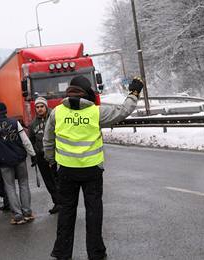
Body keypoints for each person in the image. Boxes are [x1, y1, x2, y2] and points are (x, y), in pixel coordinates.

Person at [43, 75, 144, 260]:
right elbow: (123, 111)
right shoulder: (95, 112)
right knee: (94, 212)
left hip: (66, 171)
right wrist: (134, 93)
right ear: (87, 92)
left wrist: (51, 160)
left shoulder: (57, 112)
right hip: (92, 171)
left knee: (66, 212)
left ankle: (62, 253)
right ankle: (96, 253)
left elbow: (48, 140)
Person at [0, 102, 36, 225]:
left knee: (10, 187)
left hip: (3, 162)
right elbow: (25, 140)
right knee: (23, 184)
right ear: (5, 111)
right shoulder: (14, 123)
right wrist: (33, 155)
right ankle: (27, 212)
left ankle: (18, 215)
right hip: (19, 159)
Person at [28, 97, 60, 214]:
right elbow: (31, 140)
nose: (40, 109)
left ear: (46, 107)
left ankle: (65, 203)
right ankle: (57, 203)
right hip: (41, 156)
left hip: (56, 154)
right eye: (37, 107)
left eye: (42, 106)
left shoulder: (55, 117)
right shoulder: (33, 124)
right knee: (48, 181)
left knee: (59, 179)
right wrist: (34, 155)